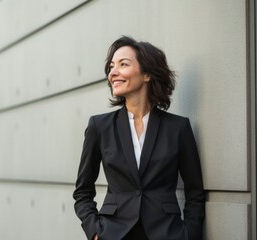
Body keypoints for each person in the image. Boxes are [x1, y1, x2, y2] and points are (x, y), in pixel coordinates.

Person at [73, 36, 205, 240]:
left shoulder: (178, 128)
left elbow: (195, 192)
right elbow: (82, 192)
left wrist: (189, 235)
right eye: (111, 67)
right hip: (114, 233)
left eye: (123, 64)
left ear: (147, 74)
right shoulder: (99, 127)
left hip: (167, 233)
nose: (113, 73)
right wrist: (95, 232)